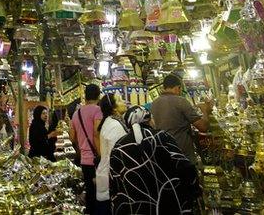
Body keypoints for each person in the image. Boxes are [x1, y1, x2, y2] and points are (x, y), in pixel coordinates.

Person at [108, 106, 200, 214]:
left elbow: (114, 185)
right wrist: (194, 191)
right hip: (168, 204)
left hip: (134, 208)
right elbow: (184, 167)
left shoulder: (118, 146)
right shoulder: (161, 136)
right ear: (149, 120)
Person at [151, 74, 211, 165]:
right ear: (177, 88)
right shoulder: (181, 101)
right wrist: (205, 111)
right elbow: (203, 127)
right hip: (182, 155)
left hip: (163, 154)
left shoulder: (154, 104)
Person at [69, 83, 102, 214]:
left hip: (84, 159)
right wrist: (101, 155)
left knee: (89, 191)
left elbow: (72, 137)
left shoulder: (76, 114)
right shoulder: (98, 110)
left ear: (85, 96)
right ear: (98, 96)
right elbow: (96, 134)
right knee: (100, 193)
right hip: (96, 159)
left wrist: (81, 146)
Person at [94, 93, 128, 215]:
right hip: (112, 179)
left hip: (109, 176)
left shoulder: (112, 122)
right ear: (114, 108)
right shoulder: (114, 126)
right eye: (120, 100)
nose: (124, 102)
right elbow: (118, 156)